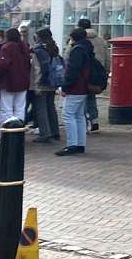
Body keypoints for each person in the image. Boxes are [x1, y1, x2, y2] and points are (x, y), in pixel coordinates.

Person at [58, 28, 96, 156]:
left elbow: (72, 71)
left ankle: (71, 145)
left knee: (68, 115)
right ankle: (80, 144)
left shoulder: (77, 50)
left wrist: (65, 87)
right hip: (84, 86)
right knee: (79, 116)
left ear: (73, 38)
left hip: (75, 87)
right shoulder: (88, 48)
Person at [74, 17, 110, 133]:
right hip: (97, 73)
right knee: (92, 97)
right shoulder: (100, 40)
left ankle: (83, 122)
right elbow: (107, 57)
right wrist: (106, 71)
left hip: (83, 72)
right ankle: (94, 121)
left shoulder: (77, 40)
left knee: (82, 98)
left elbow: (69, 56)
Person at [29, 27, 63, 144]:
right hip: (52, 82)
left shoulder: (38, 50)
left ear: (39, 37)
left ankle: (45, 133)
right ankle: (55, 131)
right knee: (50, 107)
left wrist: (37, 85)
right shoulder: (53, 47)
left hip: (41, 82)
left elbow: (37, 69)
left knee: (41, 108)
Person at [0, 26, 32, 128]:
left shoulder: (7, 47)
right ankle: (19, 132)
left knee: (6, 108)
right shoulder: (24, 47)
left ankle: (6, 134)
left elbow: (2, 65)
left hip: (8, 81)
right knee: (20, 108)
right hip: (23, 81)